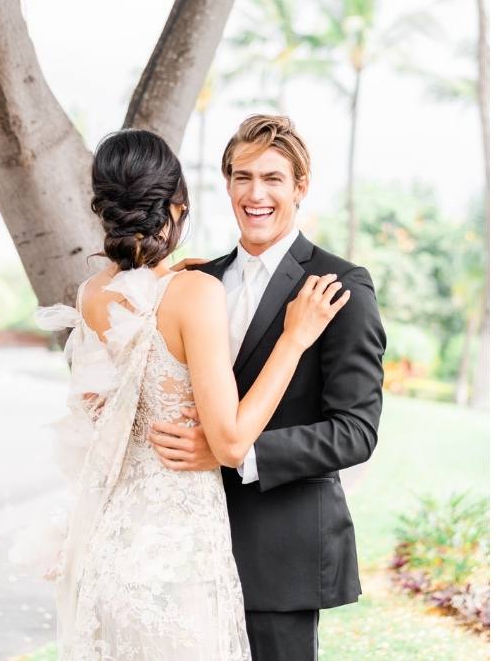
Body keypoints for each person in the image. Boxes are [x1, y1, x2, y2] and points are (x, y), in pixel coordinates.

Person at [34, 127, 350, 659]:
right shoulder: (196, 291)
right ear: (178, 207)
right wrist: (294, 339)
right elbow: (229, 443)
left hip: (111, 549)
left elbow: (98, 413)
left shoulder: (92, 294)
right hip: (178, 556)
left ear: (104, 208)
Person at [147, 113, 387, 661]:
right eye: (242, 177)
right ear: (227, 184)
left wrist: (234, 452)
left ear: (301, 187)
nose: (256, 194)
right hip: (190, 540)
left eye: (273, 179)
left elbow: (355, 432)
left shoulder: (339, 286)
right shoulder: (198, 281)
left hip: (282, 551)